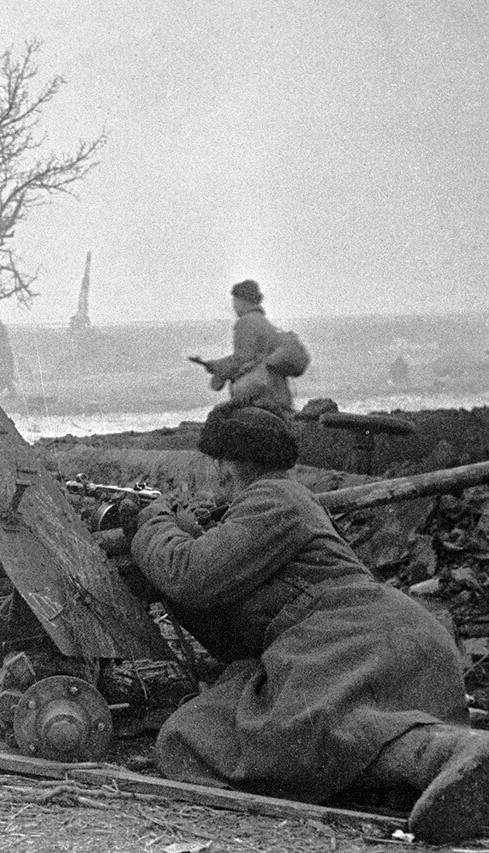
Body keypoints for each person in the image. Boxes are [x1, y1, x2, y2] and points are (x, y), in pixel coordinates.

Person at [127, 401, 489, 844]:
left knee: (256, 735)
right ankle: (446, 764)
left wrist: (155, 522)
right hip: (376, 637)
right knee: (297, 729)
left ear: (224, 465)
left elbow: (189, 575)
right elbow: (227, 623)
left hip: (352, 637)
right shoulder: (275, 502)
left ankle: (457, 753)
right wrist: (194, 536)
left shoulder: (274, 498)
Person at [191, 279, 293, 414]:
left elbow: (242, 359)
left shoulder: (246, 322)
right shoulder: (263, 321)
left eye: (234, 300)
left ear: (242, 300)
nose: (233, 306)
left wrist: (215, 367)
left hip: (259, 393)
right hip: (277, 391)